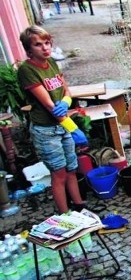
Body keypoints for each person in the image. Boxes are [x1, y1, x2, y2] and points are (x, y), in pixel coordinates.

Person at [17, 26, 88, 213]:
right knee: (59, 174)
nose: (45, 48)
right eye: (38, 45)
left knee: (72, 168)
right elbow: (49, 106)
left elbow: (67, 91)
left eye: (47, 43)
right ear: (29, 49)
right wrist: (74, 129)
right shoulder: (27, 70)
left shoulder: (52, 63)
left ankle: (79, 206)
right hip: (47, 130)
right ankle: (65, 215)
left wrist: (65, 101)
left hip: (62, 124)